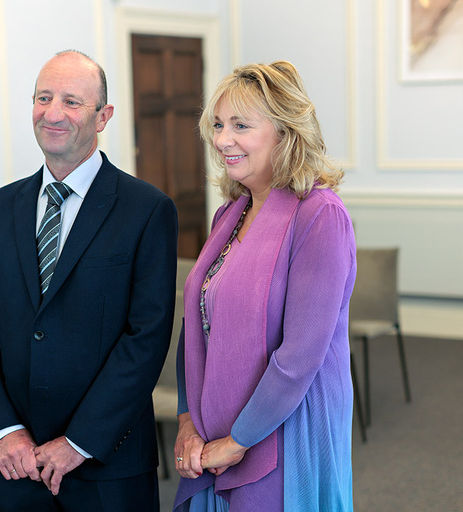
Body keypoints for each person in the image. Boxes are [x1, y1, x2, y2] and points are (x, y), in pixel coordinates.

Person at [0, 50, 178, 511]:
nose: (53, 113)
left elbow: (146, 338)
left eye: (72, 101)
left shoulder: (147, 210)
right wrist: (4, 432)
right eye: (44, 98)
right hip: (18, 463)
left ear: (104, 116)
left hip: (107, 463)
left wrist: (79, 442)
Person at [173, 61, 356, 511]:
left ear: (285, 131)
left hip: (289, 427)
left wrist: (238, 440)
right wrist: (185, 420)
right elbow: (196, 324)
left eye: (240, 125)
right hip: (216, 426)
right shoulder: (228, 215)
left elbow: (299, 357)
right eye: (217, 125)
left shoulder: (319, 215)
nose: (221, 140)